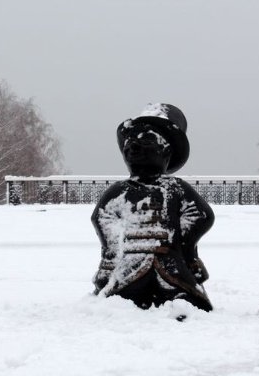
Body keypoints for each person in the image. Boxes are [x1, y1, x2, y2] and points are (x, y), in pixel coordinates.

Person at [92, 103, 215, 313]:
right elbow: (102, 217)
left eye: (146, 141)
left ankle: (180, 308)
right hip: (130, 263)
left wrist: (182, 246)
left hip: (170, 263)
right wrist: (111, 257)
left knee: (186, 300)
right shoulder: (120, 190)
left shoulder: (174, 188)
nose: (133, 147)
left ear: (166, 152)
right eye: (129, 143)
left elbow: (202, 216)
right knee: (118, 302)